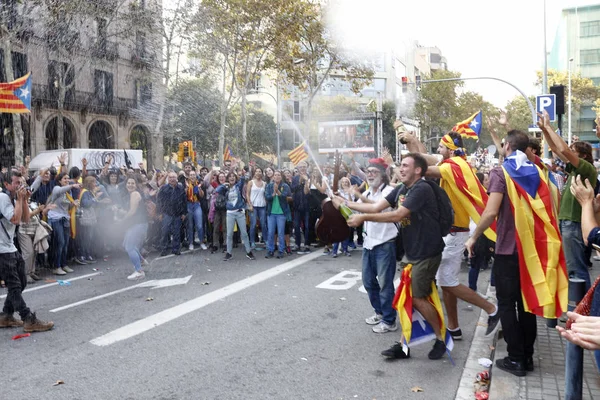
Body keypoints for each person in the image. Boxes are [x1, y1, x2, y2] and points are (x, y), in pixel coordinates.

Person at [466, 130, 568, 377]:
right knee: (527, 305)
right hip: (533, 250)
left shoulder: (501, 172)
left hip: (508, 250)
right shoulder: (539, 173)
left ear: (508, 145)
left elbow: (490, 212)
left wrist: (473, 237)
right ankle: (528, 357)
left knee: (506, 304)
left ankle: (515, 358)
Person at [343, 154, 447, 360]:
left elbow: (397, 215)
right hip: (412, 252)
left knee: (416, 298)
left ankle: (442, 338)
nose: (401, 168)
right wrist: (347, 204)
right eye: (400, 165)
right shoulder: (403, 189)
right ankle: (404, 346)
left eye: (406, 165)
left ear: (418, 170)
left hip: (426, 252)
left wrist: (363, 217)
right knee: (406, 297)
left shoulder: (421, 189)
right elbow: (375, 206)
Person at [414, 132, 500, 340]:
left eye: (441, 148)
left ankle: (492, 310)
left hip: (455, 232)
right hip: (454, 231)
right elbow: (424, 160)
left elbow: (423, 168)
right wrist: (412, 141)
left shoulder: (453, 166)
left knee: (448, 281)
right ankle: (453, 326)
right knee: (446, 280)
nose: (438, 152)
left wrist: (410, 160)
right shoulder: (456, 164)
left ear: (451, 150)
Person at [333, 158, 398, 334]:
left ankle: (389, 320)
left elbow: (376, 208)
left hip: (385, 244)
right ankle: (380, 312)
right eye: (368, 171)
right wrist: (338, 201)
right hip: (369, 244)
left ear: (383, 175)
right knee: (369, 282)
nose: (369, 174)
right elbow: (356, 211)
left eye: (373, 172)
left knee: (385, 285)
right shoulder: (368, 193)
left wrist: (352, 200)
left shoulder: (390, 191)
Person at [538, 110, 596, 291]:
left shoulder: (586, 168)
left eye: (573, 151)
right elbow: (556, 150)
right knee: (572, 267)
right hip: (567, 222)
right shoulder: (576, 170)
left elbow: (561, 149)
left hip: (574, 223)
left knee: (576, 269)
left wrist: (548, 126)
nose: (569, 152)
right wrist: (545, 131)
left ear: (583, 155)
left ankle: (584, 310)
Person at [0, 171, 54, 332]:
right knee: (15, 285)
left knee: (22, 281)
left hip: (9, 246)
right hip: (2, 250)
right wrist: (19, 199)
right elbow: (15, 219)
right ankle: (28, 318)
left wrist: (23, 199)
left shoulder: (14, 197)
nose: (20, 186)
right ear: (7, 185)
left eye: (21, 182)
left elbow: (25, 219)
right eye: (16, 183)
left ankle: (6, 315)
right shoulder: (2, 198)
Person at [215, 172, 255, 261]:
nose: (232, 178)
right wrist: (223, 185)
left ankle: (249, 252)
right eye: (230, 177)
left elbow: (243, 179)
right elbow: (217, 190)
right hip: (230, 213)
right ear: (227, 179)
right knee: (229, 234)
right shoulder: (225, 188)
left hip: (240, 212)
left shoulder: (238, 186)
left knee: (244, 233)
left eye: (233, 176)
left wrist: (241, 172)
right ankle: (228, 253)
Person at [47, 173, 81, 275]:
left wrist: (73, 204)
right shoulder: (56, 188)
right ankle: (56, 266)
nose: (67, 180)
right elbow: (61, 190)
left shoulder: (68, 192)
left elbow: (67, 207)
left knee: (65, 243)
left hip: (65, 218)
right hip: (56, 218)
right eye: (64, 178)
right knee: (60, 242)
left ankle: (63, 264)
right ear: (59, 181)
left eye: (68, 178)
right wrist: (72, 185)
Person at [119, 176, 149, 280]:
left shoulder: (135, 194)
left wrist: (121, 220)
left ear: (136, 185)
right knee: (126, 244)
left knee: (129, 247)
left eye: (133, 183)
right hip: (136, 224)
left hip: (138, 224)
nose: (130, 185)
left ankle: (139, 271)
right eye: (128, 183)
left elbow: (132, 212)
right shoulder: (131, 194)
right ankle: (141, 261)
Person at [157, 172, 187, 256]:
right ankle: (164, 249)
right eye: (170, 177)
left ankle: (176, 249)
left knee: (176, 232)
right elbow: (159, 201)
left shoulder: (180, 188)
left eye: (174, 177)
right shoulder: (163, 188)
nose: (172, 179)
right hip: (166, 213)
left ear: (176, 178)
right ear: (168, 179)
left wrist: (184, 213)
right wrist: (159, 213)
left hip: (177, 214)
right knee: (165, 232)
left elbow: (184, 201)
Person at [265, 171, 291, 259]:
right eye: (275, 175)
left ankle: (281, 250)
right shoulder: (269, 186)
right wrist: (273, 194)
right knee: (271, 232)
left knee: (281, 233)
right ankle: (270, 250)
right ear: (273, 177)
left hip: (281, 213)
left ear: (281, 176)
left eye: (279, 175)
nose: (277, 176)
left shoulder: (285, 186)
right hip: (271, 213)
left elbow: (285, 198)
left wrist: (278, 192)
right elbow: (267, 197)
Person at [291, 161, 312, 254]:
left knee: (307, 226)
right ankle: (297, 244)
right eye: (301, 167)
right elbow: (293, 189)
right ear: (298, 168)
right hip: (297, 206)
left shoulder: (310, 177)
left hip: (307, 205)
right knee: (296, 226)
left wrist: (306, 181)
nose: (303, 168)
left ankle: (307, 244)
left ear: (307, 167)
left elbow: (309, 191)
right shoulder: (295, 178)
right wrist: (300, 181)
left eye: (304, 166)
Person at [246, 167, 268, 250]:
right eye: (257, 171)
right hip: (253, 206)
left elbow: (265, 194)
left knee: (263, 224)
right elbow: (247, 194)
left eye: (260, 171)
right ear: (254, 173)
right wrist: (250, 204)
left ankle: (265, 240)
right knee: (253, 224)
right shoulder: (250, 182)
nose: (258, 173)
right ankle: (252, 242)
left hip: (262, 206)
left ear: (262, 173)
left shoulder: (264, 183)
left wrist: (266, 203)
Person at [185, 170, 207, 251]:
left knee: (199, 225)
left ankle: (201, 242)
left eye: (194, 175)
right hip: (189, 204)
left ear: (196, 176)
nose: (192, 176)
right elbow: (184, 195)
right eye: (191, 175)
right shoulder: (186, 184)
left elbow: (202, 195)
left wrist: (200, 189)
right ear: (189, 176)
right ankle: (191, 242)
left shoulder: (199, 184)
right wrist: (186, 188)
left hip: (197, 204)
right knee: (190, 226)